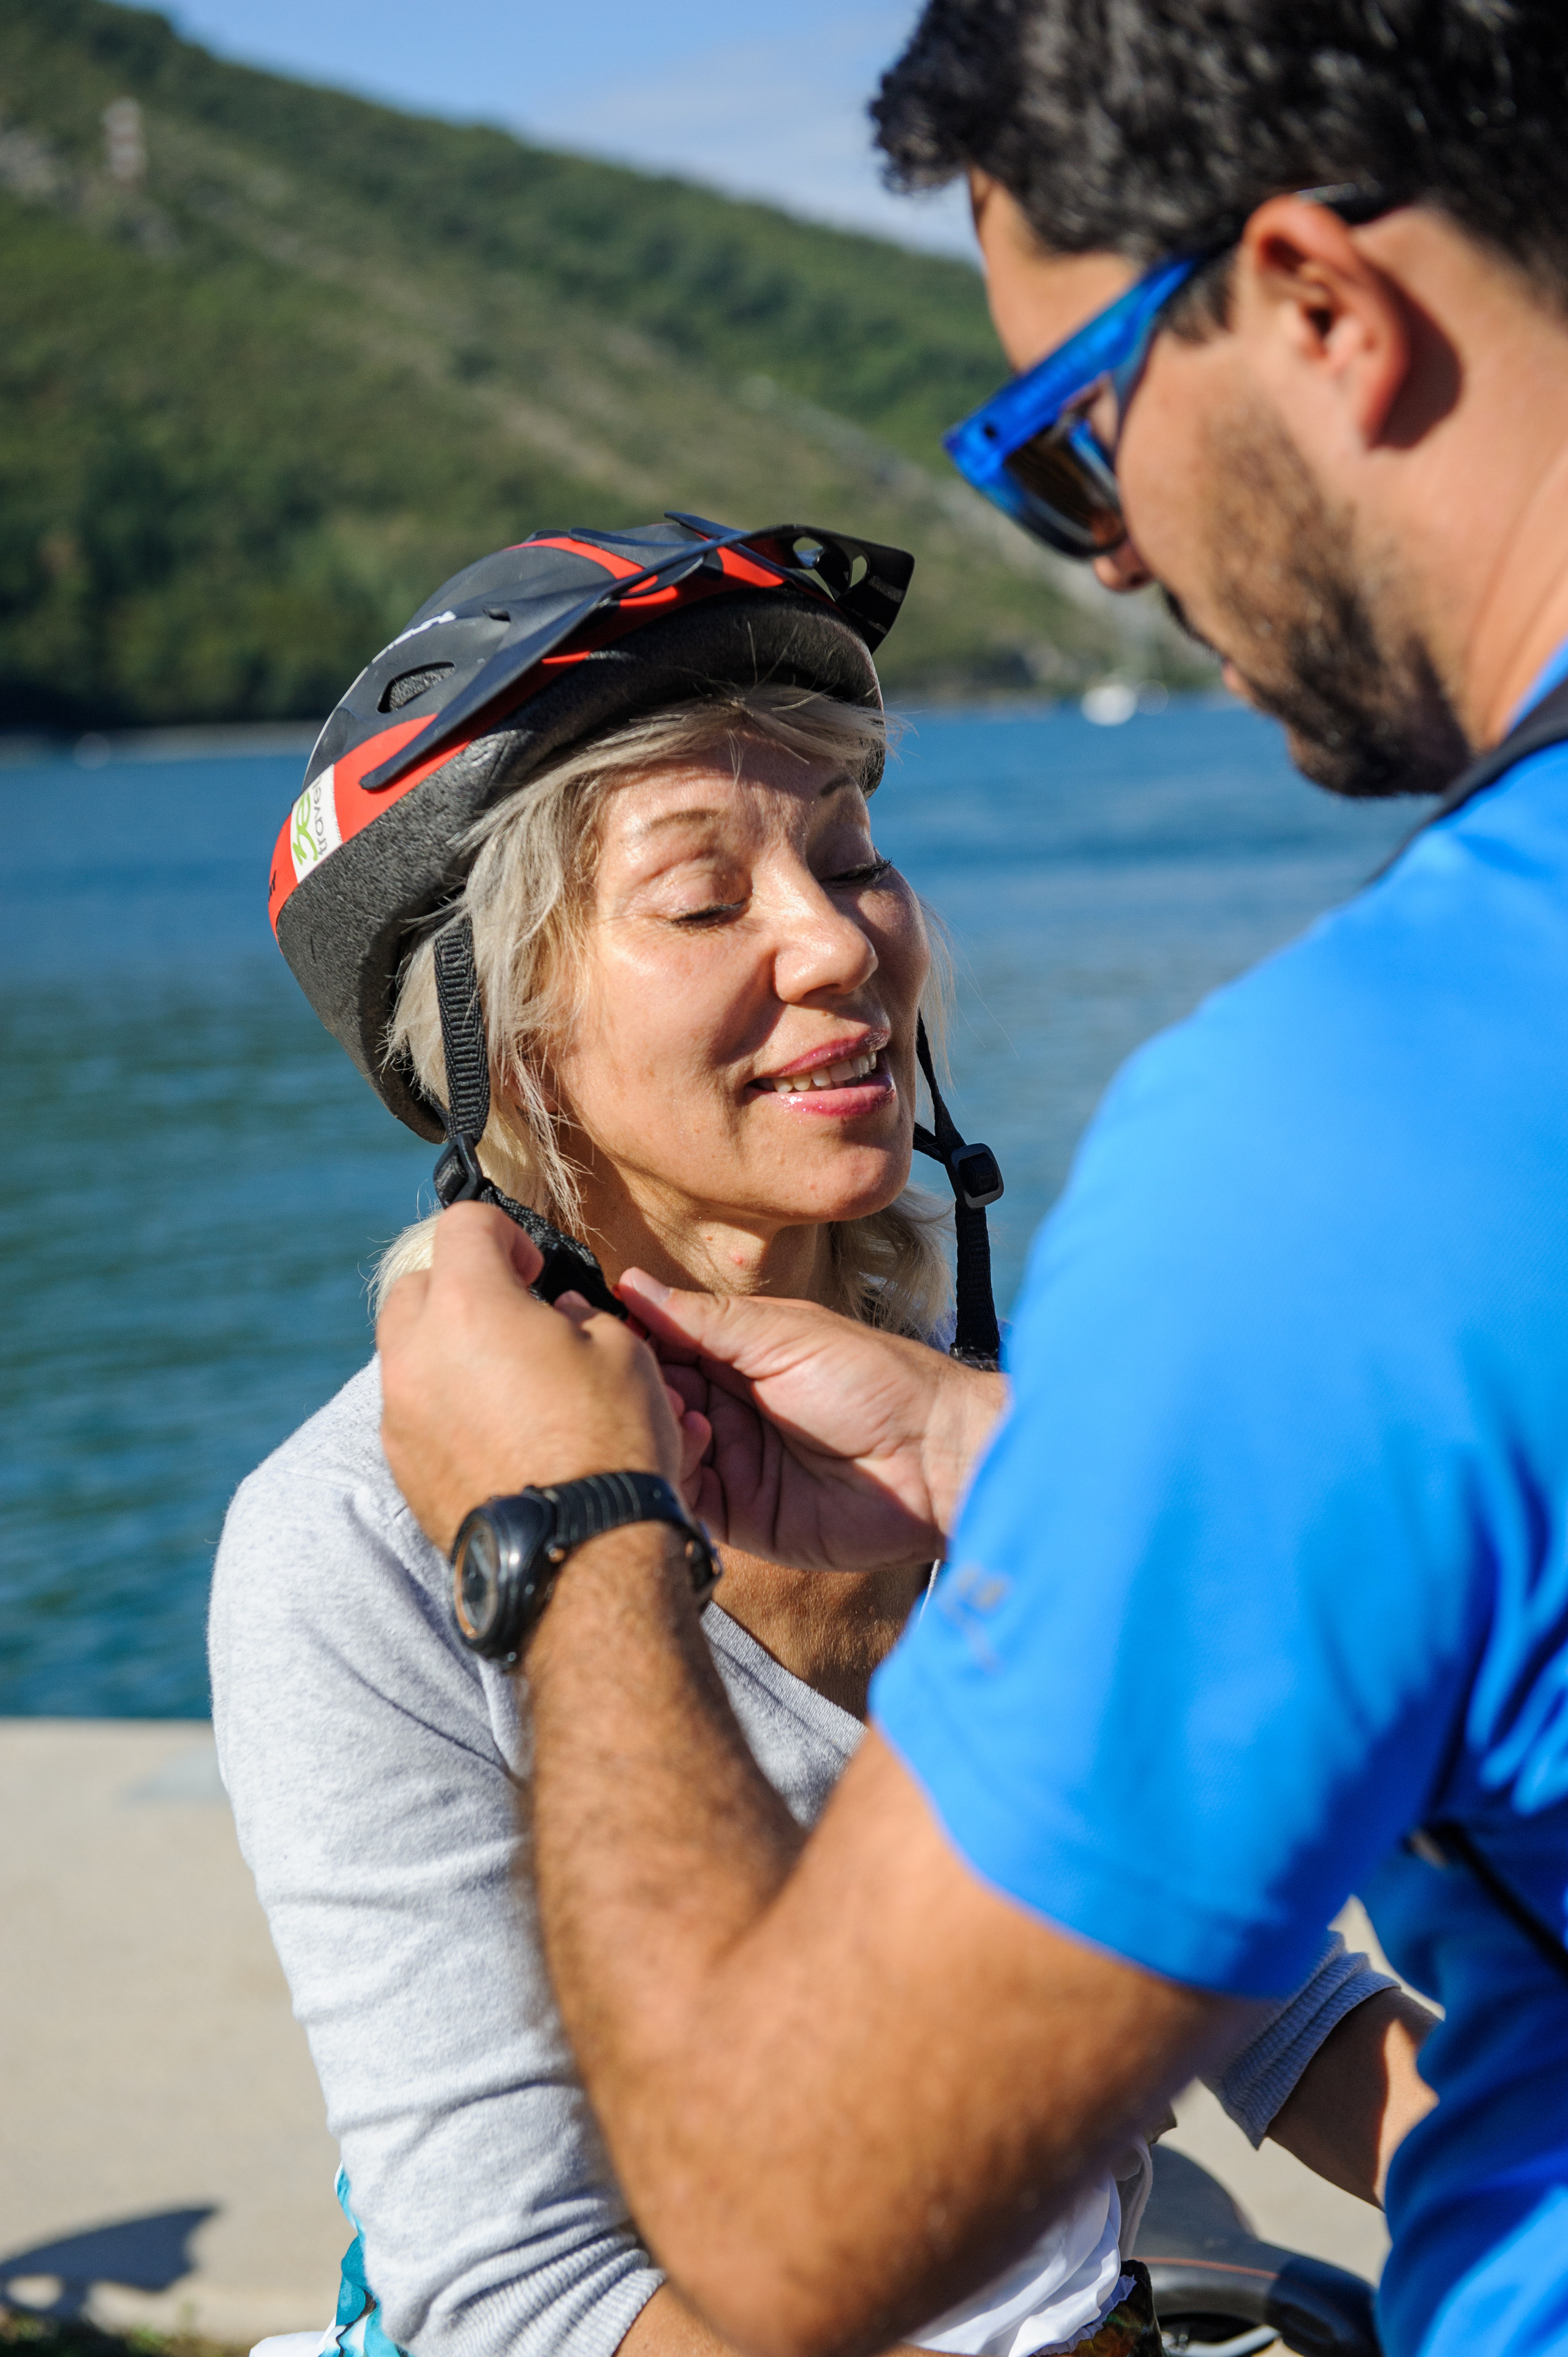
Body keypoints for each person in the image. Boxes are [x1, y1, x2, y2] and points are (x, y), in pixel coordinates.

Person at [374, 9, 1568, 2357]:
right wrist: (1023, 1455)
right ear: (509, 1034)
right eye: (704, 892)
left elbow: (797, 2211)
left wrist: (564, 1545)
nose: (1109, 549)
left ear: (1323, 303)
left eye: (1060, 440)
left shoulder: (1340, 1150)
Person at [212, 517, 1412, 2357]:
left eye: (852, 860)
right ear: (502, 1033)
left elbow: (1256, 1992)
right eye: (706, 901)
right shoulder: (350, 1543)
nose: (838, 940)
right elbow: (527, 2308)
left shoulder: (984, 1403)